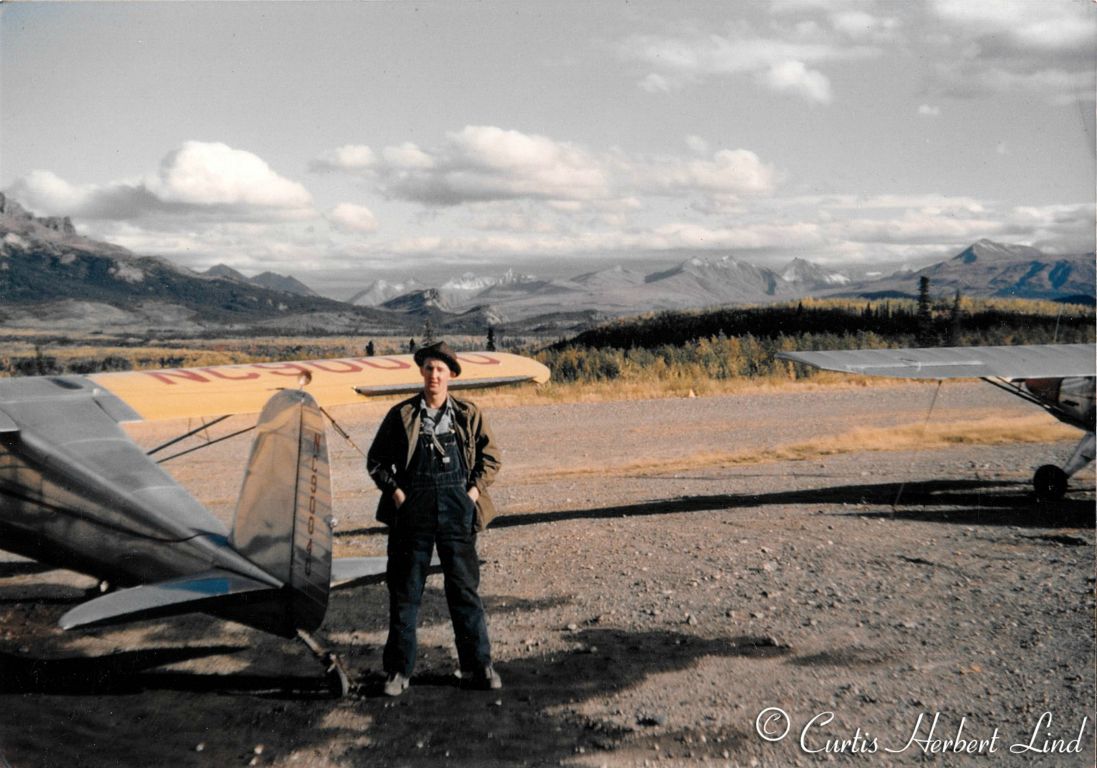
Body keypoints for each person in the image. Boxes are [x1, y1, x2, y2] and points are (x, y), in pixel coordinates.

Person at [366, 340, 503, 696]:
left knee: (464, 592)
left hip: (458, 512)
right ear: (421, 372)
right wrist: (398, 495)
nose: (434, 375)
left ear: (451, 376)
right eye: (429, 368)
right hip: (413, 515)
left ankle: (480, 667)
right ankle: (398, 672)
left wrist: (471, 494)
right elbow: (376, 462)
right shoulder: (402, 415)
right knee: (406, 593)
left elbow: (490, 459)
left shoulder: (468, 414)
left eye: (441, 369)